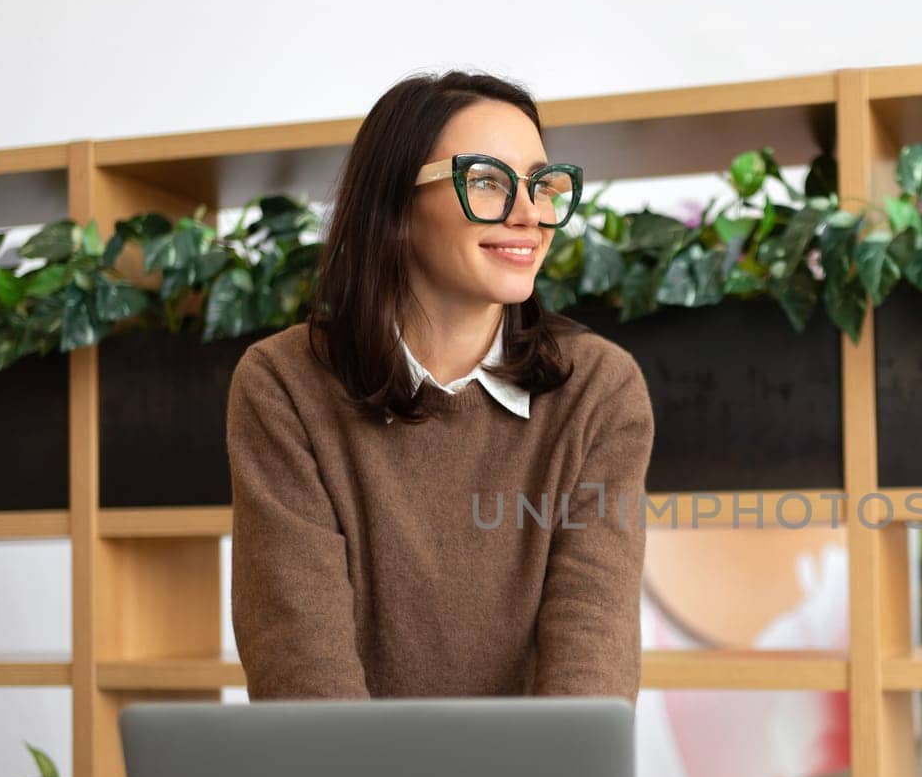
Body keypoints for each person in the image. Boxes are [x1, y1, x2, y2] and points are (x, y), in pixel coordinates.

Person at [226, 71, 654, 702]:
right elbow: (302, 671)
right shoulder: (283, 384)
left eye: (541, 184)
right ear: (395, 203)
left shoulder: (599, 389)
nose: (530, 214)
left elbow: (592, 652)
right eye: (486, 181)